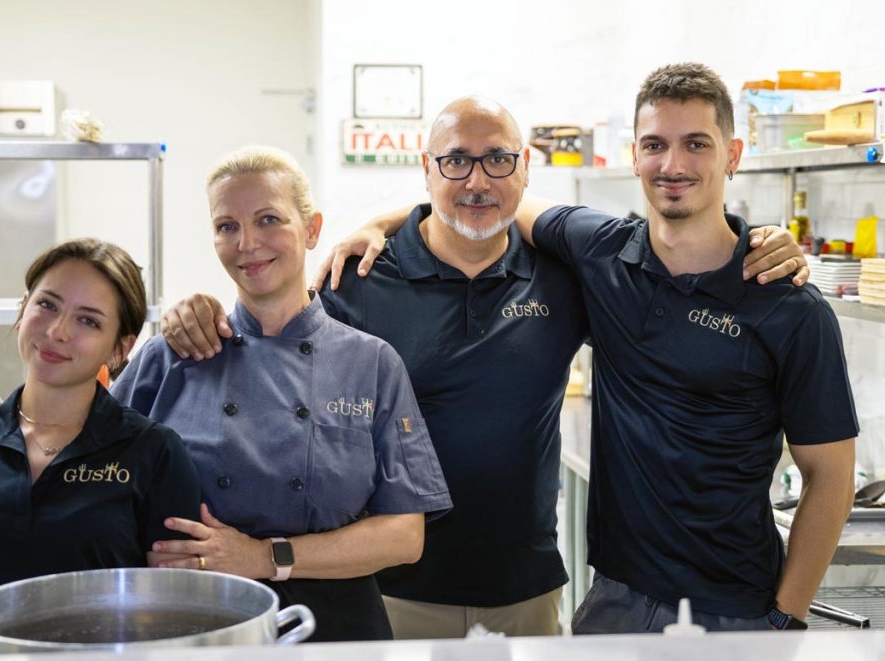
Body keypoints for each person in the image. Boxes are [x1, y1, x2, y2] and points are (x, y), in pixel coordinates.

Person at [145, 98, 808, 637]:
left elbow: (674, 245)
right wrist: (194, 315)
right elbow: (273, 341)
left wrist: (764, 242)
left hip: (524, 590)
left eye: (496, 160)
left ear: (524, 169)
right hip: (390, 591)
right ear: (426, 170)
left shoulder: (565, 276)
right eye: (455, 162)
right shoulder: (362, 276)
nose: (476, 179)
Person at [316, 65, 854, 634]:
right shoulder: (602, 256)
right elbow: (486, 199)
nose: (673, 165)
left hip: (731, 607)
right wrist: (385, 220)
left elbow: (833, 479)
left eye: (696, 144)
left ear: (733, 154)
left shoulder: (786, 304)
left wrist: (785, 619)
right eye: (655, 145)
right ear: (636, 155)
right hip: (607, 599)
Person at [0, 146, 452, 643]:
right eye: (226, 226)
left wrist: (264, 556)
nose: (247, 243)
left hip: (338, 627)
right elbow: (72, 436)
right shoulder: (172, 354)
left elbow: (405, 536)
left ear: (311, 229)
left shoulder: (371, 362)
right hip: (202, 627)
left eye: (268, 219)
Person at [0, 239, 201, 659]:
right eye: (47, 305)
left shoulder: (153, 452)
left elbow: (172, 617)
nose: (57, 332)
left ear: (121, 347)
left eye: (88, 321)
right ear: (22, 307)